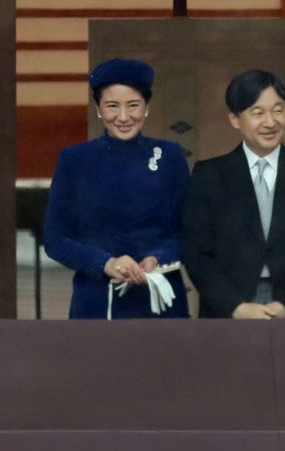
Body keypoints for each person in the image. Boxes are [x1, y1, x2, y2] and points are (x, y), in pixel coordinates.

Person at [181, 69, 285, 319]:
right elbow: (196, 251)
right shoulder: (209, 174)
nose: (270, 121)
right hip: (227, 309)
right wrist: (235, 307)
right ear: (235, 119)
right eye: (258, 112)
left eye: (278, 110)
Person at [43, 58, 190, 319]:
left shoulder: (170, 156)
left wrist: (157, 259)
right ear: (98, 108)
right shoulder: (75, 160)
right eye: (112, 106)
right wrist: (105, 263)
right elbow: (56, 240)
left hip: (161, 301)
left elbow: (189, 231)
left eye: (133, 105)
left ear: (146, 107)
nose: (123, 117)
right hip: (96, 302)